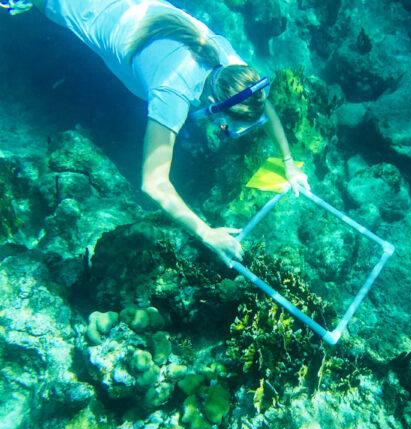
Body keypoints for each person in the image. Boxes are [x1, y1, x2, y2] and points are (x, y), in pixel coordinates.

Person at [23, 0, 310, 265]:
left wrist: (288, 164)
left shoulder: (231, 66)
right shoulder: (173, 92)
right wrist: (205, 232)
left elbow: (263, 106)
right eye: (229, 126)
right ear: (212, 105)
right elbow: (153, 183)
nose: (229, 131)